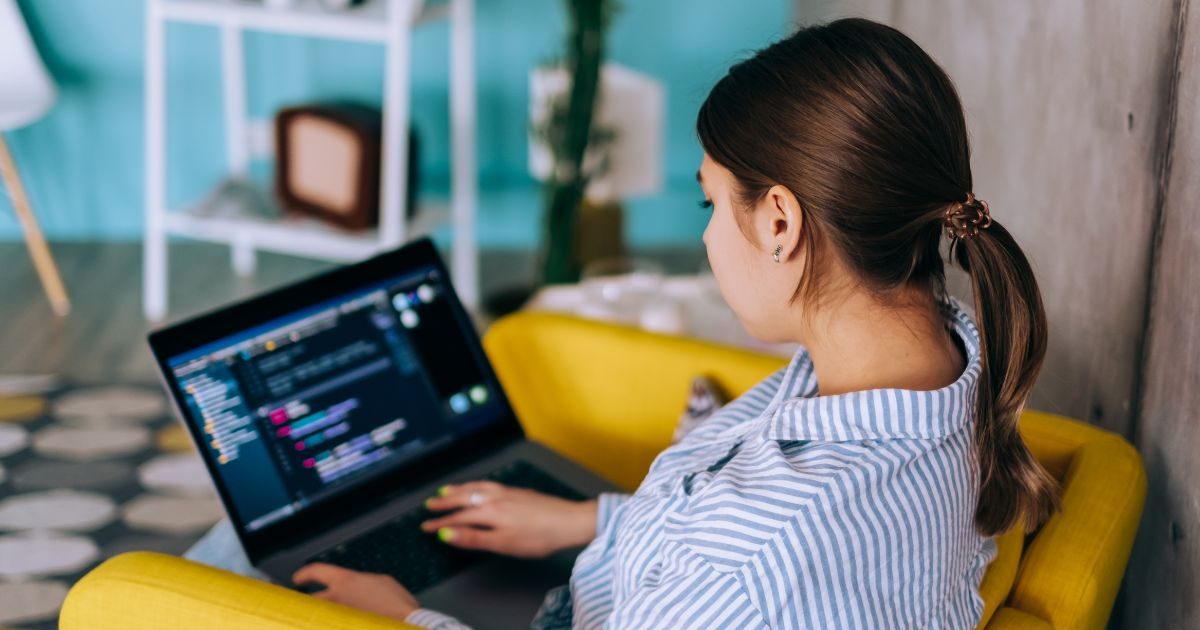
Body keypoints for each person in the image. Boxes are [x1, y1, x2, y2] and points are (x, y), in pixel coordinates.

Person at [186, 17, 1059, 628]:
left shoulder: (754, 562)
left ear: (782, 223)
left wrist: (405, 616)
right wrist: (593, 522)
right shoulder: (951, 358)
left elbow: (744, 566)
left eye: (712, 201)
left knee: (226, 557)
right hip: (610, 568)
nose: (709, 235)